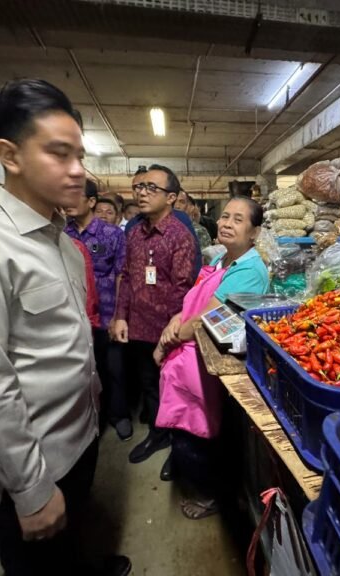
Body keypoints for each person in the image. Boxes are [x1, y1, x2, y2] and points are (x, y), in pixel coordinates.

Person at [0, 79, 130, 576]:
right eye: (59, 154)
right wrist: (31, 491)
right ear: (9, 155)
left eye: (80, 154)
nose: (79, 170)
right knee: (36, 560)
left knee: (69, 538)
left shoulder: (59, 242)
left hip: (76, 436)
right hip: (34, 460)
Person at [154, 196, 269, 519]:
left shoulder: (249, 271)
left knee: (198, 434)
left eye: (238, 219)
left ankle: (209, 496)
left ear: (255, 232)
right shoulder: (222, 261)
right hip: (191, 358)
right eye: (224, 217)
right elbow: (192, 307)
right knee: (187, 430)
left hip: (207, 361)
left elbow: (206, 321)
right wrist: (176, 318)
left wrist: (165, 342)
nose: (226, 223)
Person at [112, 165, 198, 470]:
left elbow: (183, 290)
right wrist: (121, 316)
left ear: (172, 197)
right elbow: (126, 275)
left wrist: (170, 334)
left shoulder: (180, 236)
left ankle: (179, 448)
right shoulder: (134, 232)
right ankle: (158, 435)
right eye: (140, 187)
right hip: (138, 327)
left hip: (167, 333)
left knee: (174, 391)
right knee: (149, 387)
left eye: (152, 188)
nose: (143, 193)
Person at [64, 181, 131, 441]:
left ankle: (119, 415)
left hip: (105, 312)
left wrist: (117, 315)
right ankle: (90, 420)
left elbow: (120, 275)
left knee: (113, 368)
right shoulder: (62, 234)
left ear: (91, 201)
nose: (68, 201)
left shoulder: (111, 235)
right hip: (73, 313)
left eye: (75, 195)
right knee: (81, 371)